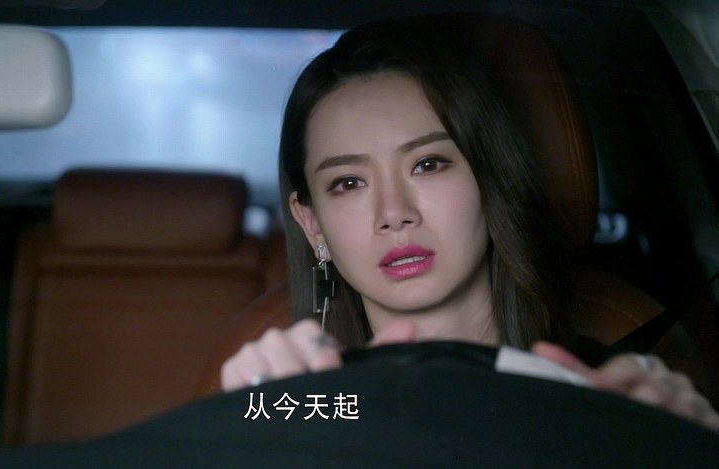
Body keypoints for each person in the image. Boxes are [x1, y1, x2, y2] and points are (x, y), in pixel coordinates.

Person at [220, 15, 719, 431]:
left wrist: (685, 442)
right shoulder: (294, 405)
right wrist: (250, 424)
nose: (394, 214)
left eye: (428, 164)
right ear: (311, 224)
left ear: (490, 180)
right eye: (348, 183)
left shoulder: (617, 399)